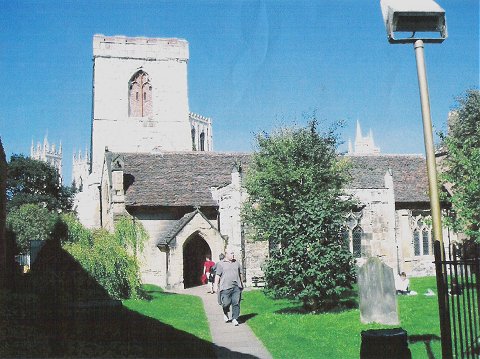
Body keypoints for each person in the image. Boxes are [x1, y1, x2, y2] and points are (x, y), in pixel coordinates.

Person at [214, 246, 243, 326]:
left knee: (236, 302)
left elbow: (240, 274)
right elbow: (217, 275)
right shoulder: (220, 264)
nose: (233, 255)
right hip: (225, 287)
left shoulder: (236, 263)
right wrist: (215, 285)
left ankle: (234, 318)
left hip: (236, 286)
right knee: (226, 303)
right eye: (231, 253)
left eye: (233, 253)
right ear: (226, 254)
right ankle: (225, 312)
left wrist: (241, 283)